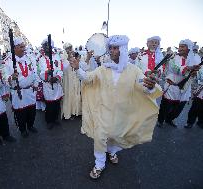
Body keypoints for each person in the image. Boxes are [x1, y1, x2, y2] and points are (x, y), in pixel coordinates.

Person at [69, 35, 162, 179]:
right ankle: (99, 164)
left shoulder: (134, 70)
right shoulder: (103, 68)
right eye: (110, 48)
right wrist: (77, 69)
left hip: (122, 113)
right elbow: (88, 78)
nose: (111, 51)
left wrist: (150, 87)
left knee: (116, 135)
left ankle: (112, 151)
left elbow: (144, 87)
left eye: (115, 48)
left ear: (123, 50)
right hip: (103, 111)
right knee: (100, 137)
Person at [157, 39, 201, 128]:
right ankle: (160, 120)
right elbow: (174, 68)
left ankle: (169, 119)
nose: (180, 49)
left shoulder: (196, 58)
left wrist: (196, 73)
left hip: (185, 88)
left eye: (182, 46)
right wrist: (189, 68)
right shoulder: (173, 57)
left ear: (189, 48)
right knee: (165, 106)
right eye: (179, 46)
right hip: (172, 86)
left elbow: (199, 73)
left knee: (178, 108)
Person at [4, 37, 39, 138]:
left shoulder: (29, 58)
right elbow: (4, 78)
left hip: (30, 90)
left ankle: (31, 125)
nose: (24, 49)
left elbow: (34, 72)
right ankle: (23, 129)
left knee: (32, 111)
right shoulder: (8, 61)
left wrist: (36, 84)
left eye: (24, 46)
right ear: (14, 48)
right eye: (21, 47)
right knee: (20, 113)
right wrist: (11, 77)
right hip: (18, 93)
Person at [39, 38, 64, 129]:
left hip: (56, 84)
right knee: (49, 105)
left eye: (47, 46)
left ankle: (55, 119)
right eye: (44, 46)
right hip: (47, 85)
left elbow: (60, 70)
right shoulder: (41, 59)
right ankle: (49, 121)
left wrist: (56, 77)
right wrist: (47, 73)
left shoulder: (57, 57)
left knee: (57, 103)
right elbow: (40, 72)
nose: (46, 48)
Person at [61, 42, 81, 120]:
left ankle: (76, 111)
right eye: (68, 48)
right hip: (68, 79)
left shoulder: (75, 55)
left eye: (70, 47)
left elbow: (78, 65)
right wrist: (69, 58)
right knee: (69, 94)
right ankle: (68, 113)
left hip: (75, 77)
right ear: (65, 49)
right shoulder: (63, 56)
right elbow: (64, 68)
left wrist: (76, 58)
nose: (69, 49)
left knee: (76, 93)